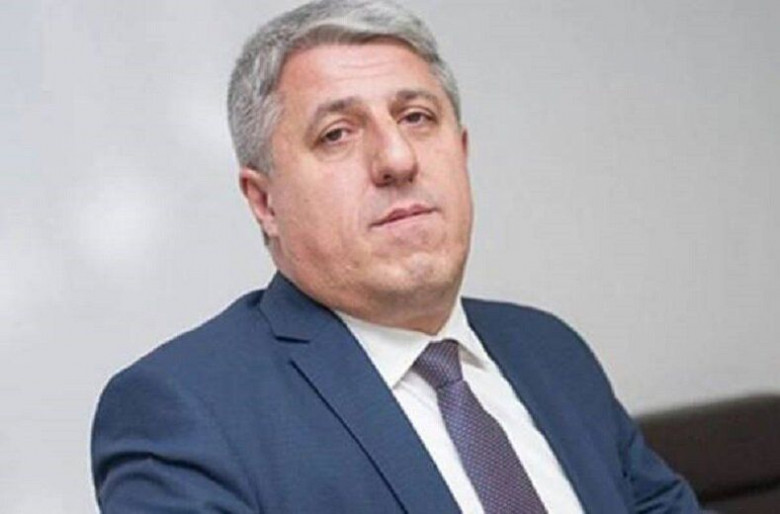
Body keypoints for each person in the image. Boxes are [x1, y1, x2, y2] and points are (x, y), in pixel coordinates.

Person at [91, 1, 701, 512]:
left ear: (461, 151)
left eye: (417, 118)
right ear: (264, 200)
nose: (398, 159)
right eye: (336, 133)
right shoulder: (185, 410)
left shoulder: (550, 351)